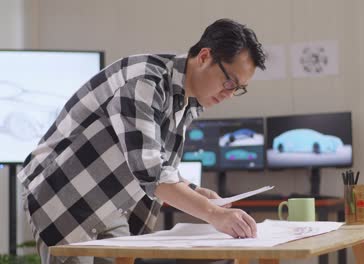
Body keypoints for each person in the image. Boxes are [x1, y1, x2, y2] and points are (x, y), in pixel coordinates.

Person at [17, 18, 266, 264]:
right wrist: (214, 213)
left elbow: (157, 162)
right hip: (64, 196)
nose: (229, 94)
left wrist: (195, 192)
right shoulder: (145, 81)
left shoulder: (187, 102)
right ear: (204, 57)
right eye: (229, 82)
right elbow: (151, 171)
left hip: (110, 205)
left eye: (238, 88)